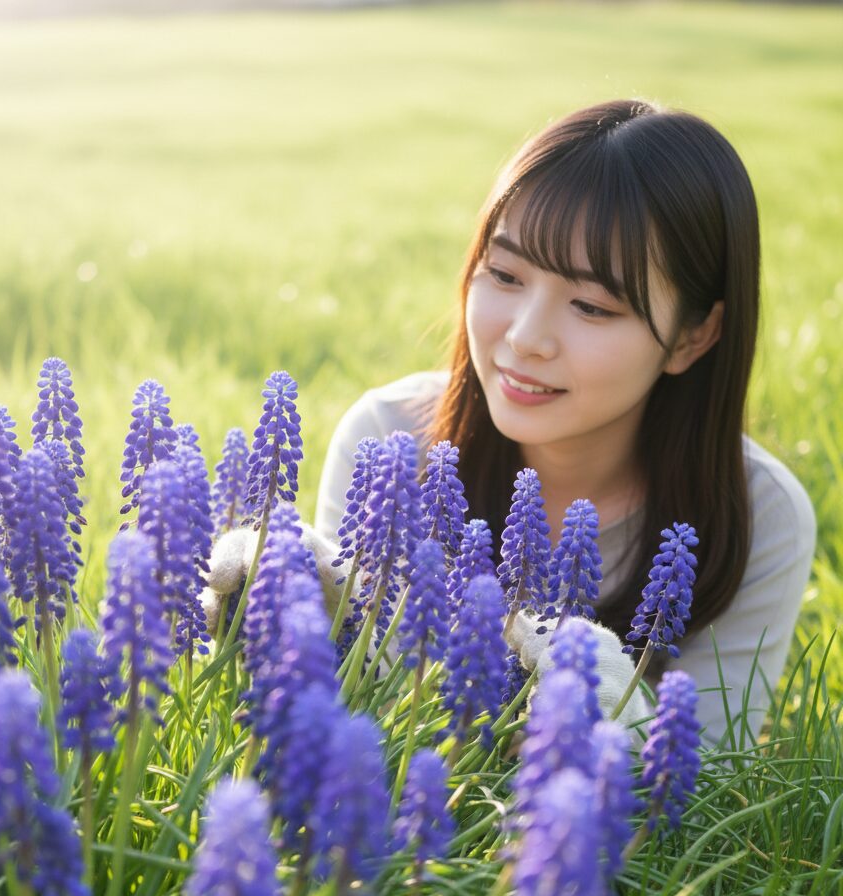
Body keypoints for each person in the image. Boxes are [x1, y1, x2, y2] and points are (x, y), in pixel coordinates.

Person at [314, 99, 816, 752]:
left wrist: (586, 686)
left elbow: (699, 779)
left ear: (695, 335)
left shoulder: (758, 515)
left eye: (591, 305)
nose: (525, 339)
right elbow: (342, 712)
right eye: (503, 273)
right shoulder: (389, 441)